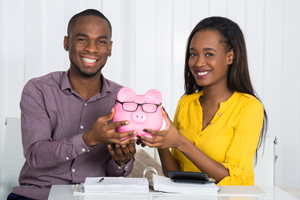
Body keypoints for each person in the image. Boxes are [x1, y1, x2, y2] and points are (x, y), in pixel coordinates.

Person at [8, 9, 137, 200]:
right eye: (82, 39)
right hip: (39, 195)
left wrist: (122, 160)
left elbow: (116, 174)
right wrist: (88, 139)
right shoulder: (38, 90)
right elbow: (36, 154)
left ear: (110, 48)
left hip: (95, 196)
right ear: (67, 43)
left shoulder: (123, 98)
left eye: (101, 42)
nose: (91, 49)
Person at [138, 16, 267, 185]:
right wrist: (160, 140)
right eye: (193, 54)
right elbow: (174, 175)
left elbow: (235, 179)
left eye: (209, 54)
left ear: (230, 56)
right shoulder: (185, 103)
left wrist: (180, 142)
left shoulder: (249, 107)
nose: (198, 62)